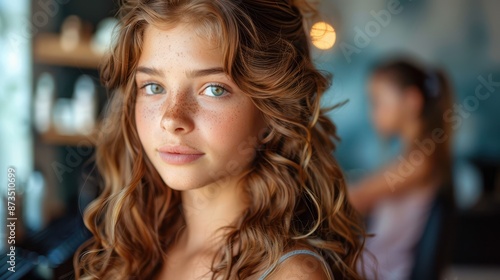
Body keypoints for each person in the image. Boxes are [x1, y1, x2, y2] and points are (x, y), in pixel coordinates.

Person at [74, 0, 366, 279]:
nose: (172, 119)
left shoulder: (291, 275)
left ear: (272, 114)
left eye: (214, 89)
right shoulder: (136, 247)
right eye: (153, 86)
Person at [349, 59, 453, 280]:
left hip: (380, 273)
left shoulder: (419, 161)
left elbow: (356, 198)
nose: (373, 113)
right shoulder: (414, 157)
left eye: (377, 102)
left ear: (412, 100)